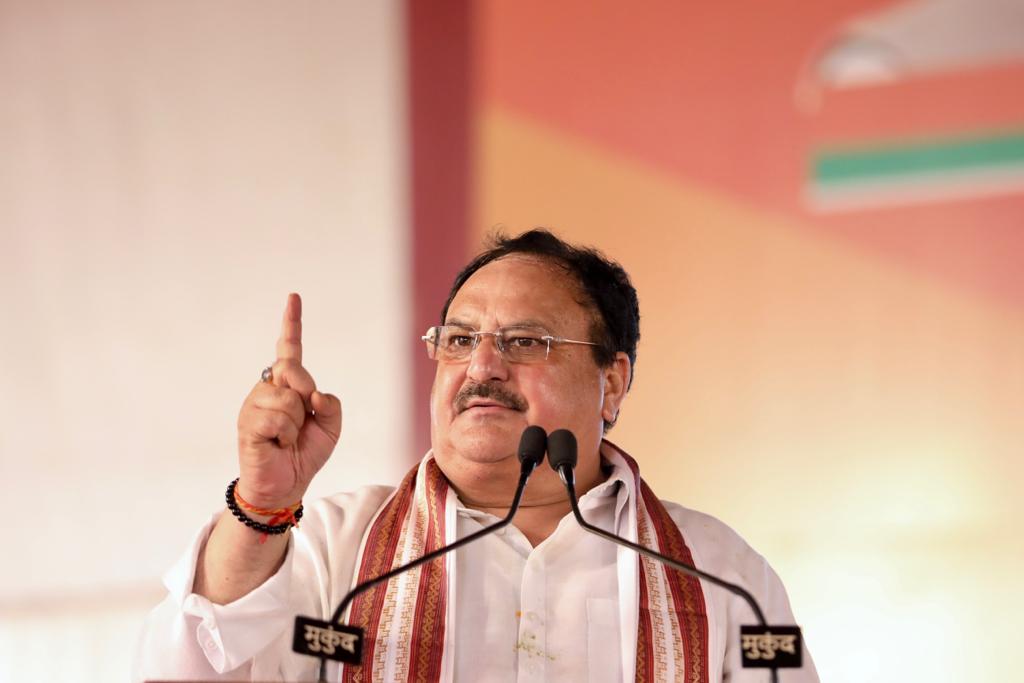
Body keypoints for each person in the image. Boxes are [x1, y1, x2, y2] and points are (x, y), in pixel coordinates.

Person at [134, 230, 819, 682]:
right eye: (458, 340)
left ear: (611, 381)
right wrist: (258, 501)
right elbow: (188, 665)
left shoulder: (719, 576)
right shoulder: (335, 552)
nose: (481, 366)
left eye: (525, 342)